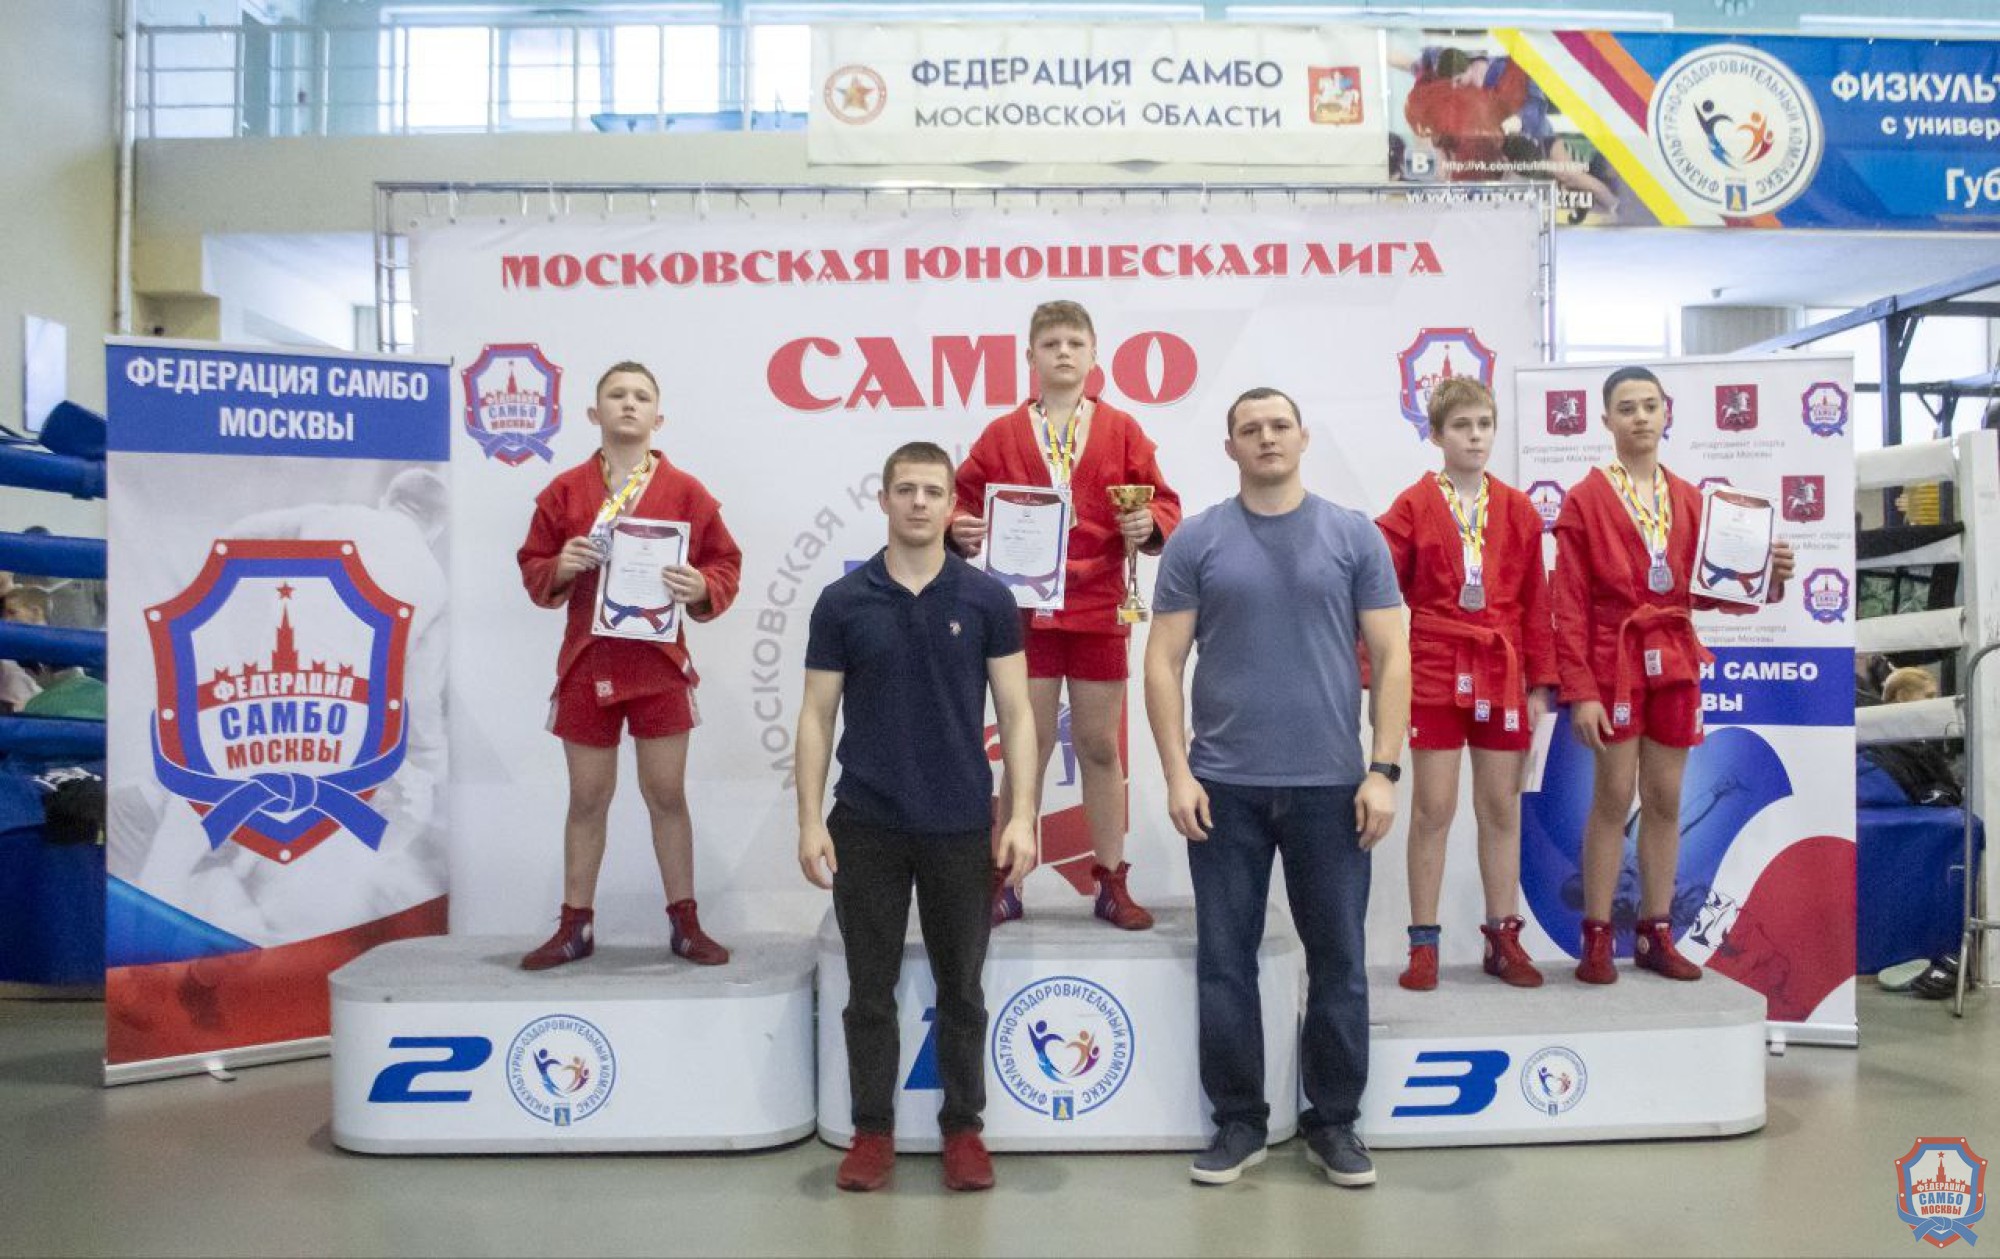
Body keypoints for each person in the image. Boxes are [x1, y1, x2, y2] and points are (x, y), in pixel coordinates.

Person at [1143, 387, 1410, 1188]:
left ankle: (1335, 1121)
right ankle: (1239, 1121)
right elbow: (1162, 662)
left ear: (1303, 437)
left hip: (1333, 786)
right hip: (1223, 788)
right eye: (1250, 429)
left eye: (1279, 425)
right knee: (1226, 961)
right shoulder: (1197, 540)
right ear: (1230, 447)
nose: (1266, 438)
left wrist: (1383, 769)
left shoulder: (1353, 535)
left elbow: (1393, 656)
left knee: (1339, 962)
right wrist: (1177, 771)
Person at [796, 441, 1038, 1194]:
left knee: (961, 989)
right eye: (906, 489)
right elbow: (816, 716)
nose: (920, 503)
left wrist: (1022, 816)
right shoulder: (843, 601)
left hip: (960, 823)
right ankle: (871, 1133)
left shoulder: (987, 599)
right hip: (865, 821)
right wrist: (809, 820)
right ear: (885, 499)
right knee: (868, 991)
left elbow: (1018, 715)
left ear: (952, 503)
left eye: (934, 491)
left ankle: (964, 1129)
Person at [1552, 365, 1794, 984]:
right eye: (1626, 408)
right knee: (1613, 797)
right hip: (1613, 662)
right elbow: (1569, 605)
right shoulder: (1585, 499)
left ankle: (1655, 933)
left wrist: (1767, 576)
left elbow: (1709, 589)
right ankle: (1597, 936)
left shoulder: (1690, 500)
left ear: (1666, 414)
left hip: (1675, 662)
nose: (1639, 417)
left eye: (1649, 406)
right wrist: (1581, 691)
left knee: (1665, 799)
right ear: (1605, 420)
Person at [951, 299, 1182, 930]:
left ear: (1093, 355)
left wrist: (1148, 523)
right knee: (1026, 744)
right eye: (1051, 344)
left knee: (1099, 745)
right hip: (1022, 610)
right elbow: (960, 499)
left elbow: (1164, 503)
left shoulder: (1123, 429)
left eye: (1074, 344)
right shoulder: (1002, 434)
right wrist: (958, 527)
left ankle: (1110, 879)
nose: (1063, 353)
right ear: (1030, 356)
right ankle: (1006, 878)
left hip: (1098, 603)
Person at [514, 360, 742, 970]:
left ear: (658, 417)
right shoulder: (564, 491)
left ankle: (685, 923)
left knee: (666, 794)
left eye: (642, 395)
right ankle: (575, 926)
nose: (629, 403)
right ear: (595, 412)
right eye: (616, 394)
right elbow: (534, 564)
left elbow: (725, 564)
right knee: (587, 797)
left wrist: (702, 585)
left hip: (658, 662)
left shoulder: (687, 492)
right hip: (588, 659)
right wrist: (560, 566)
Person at [1376, 377, 1555, 991]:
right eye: (1461, 426)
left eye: (1483, 424)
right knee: (1433, 808)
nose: (1475, 436)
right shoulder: (1412, 505)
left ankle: (1503, 937)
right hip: (1434, 664)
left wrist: (1541, 682)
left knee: (1500, 807)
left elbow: (1536, 600)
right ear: (1435, 435)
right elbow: (1377, 585)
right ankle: (1423, 943)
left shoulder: (1520, 508)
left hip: (1502, 668)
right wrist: (1376, 669)